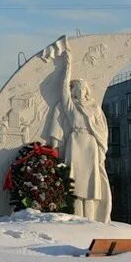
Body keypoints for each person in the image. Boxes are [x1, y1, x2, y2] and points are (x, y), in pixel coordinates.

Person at [45, 41, 112, 222]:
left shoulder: (94, 108)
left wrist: (100, 148)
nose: (80, 92)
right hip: (75, 143)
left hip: (90, 145)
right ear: (73, 91)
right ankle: (76, 218)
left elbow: (101, 129)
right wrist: (68, 64)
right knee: (74, 185)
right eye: (78, 89)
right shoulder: (70, 108)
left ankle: (91, 219)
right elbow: (63, 89)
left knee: (90, 187)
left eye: (83, 89)